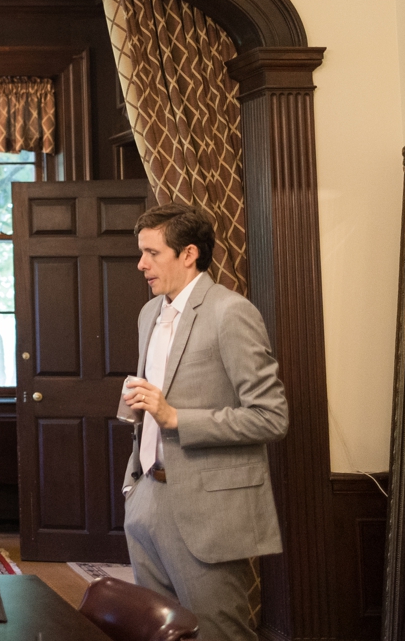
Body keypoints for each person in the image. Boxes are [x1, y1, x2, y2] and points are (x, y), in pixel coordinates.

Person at [121, 203, 288, 641]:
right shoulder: (148, 315)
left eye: (151, 253)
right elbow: (154, 404)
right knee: (155, 632)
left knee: (217, 635)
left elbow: (271, 417)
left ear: (189, 253)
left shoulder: (231, 313)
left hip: (208, 514)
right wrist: (133, 483)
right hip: (146, 499)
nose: (141, 264)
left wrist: (176, 417)